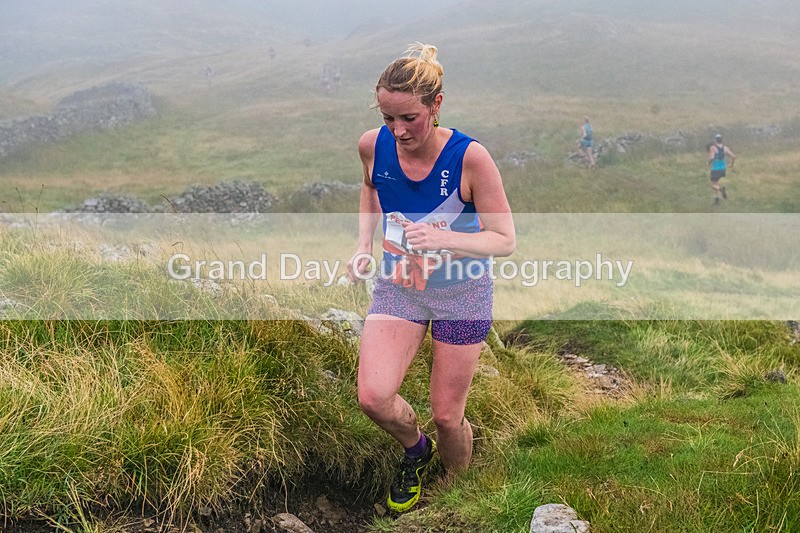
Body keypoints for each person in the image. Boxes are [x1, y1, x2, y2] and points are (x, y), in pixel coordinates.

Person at [346, 43, 515, 513]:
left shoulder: (470, 158)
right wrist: (363, 245)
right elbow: (369, 187)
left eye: (409, 119)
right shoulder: (371, 145)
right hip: (400, 284)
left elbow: (504, 239)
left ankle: (458, 495)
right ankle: (415, 451)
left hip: (463, 293)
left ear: (435, 105)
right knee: (374, 397)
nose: (398, 131)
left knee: (447, 416)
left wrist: (445, 239)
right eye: (388, 119)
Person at [708, 133, 735, 205]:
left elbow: (712, 158)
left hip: (715, 169)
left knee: (713, 185)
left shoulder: (713, 147)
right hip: (723, 169)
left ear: (715, 140)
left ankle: (721, 189)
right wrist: (731, 165)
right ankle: (717, 201)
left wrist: (708, 163)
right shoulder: (725, 147)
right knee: (716, 183)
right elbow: (733, 156)